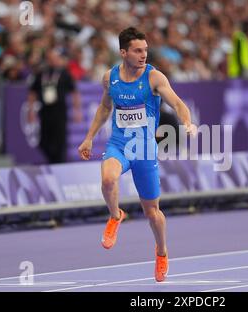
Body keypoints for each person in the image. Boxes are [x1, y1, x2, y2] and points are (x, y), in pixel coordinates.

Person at [78, 27, 197, 282]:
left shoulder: (154, 78)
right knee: (108, 180)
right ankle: (115, 215)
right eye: (137, 51)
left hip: (144, 150)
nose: (144, 55)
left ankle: (162, 252)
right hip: (119, 145)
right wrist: (89, 137)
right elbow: (104, 107)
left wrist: (187, 122)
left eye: (145, 50)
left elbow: (177, 103)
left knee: (152, 213)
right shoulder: (110, 78)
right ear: (123, 52)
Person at [28, 48, 82, 164]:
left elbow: (74, 92)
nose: (53, 61)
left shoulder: (64, 73)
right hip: (45, 111)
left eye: (55, 58)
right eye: (50, 58)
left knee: (60, 139)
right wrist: (31, 110)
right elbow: (32, 92)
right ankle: (52, 159)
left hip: (60, 111)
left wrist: (77, 110)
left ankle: (59, 162)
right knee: (43, 140)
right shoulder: (41, 73)